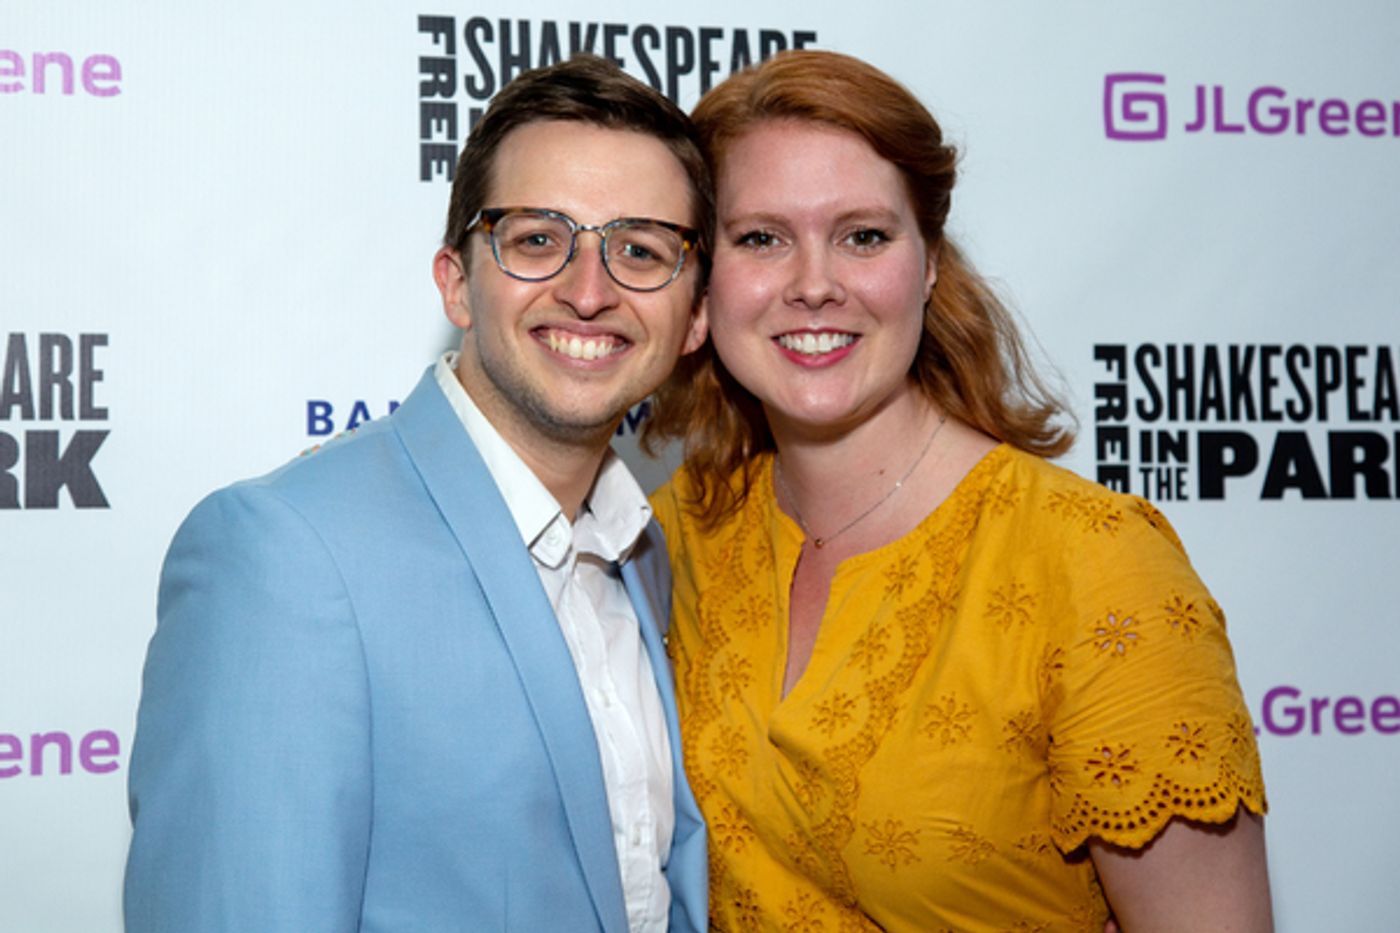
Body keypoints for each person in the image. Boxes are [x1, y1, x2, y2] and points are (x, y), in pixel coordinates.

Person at [646, 50, 1271, 932]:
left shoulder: (1092, 561)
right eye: (761, 238)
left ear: (929, 263)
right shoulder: (677, 533)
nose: (814, 283)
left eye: (863, 235)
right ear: (703, 277)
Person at [124, 55, 710, 933]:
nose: (589, 292)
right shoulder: (283, 554)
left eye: (639, 250)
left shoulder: (644, 549)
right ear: (455, 282)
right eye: (538, 239)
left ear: (695, 314)